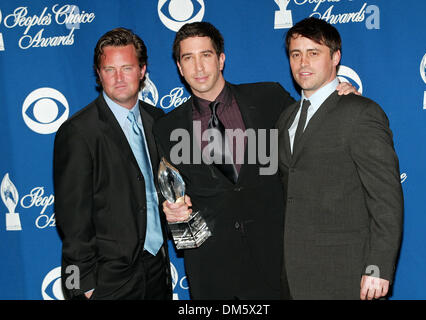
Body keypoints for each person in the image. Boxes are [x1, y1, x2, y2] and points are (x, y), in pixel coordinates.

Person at [153, 21, 356, 299]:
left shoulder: (268, 98)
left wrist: (339, 96)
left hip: (276, 264)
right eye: (188, 58)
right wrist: (173, 215)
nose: (198, 67)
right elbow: (170, 196)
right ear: (179, 67)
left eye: (206, 55)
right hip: (211, 272)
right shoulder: (167, 127)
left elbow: (314, 125)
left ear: (221, 59)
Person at [276, 17, 403, 300]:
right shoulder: (286, 118)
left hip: (347, 274)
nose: (303, 62)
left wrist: (378, 267)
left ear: (335, 57)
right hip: (294, 276)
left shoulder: (361, 113)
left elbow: (385, 198)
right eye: (296, 54)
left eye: (313, 53)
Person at [53, 27, 172, 300]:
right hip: (108, 280)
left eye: (127, 68)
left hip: (157, 270)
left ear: (142, 71)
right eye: (109, 69)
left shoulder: (158, 120)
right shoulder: (78, 132)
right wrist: (80, 286)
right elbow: (72, 221)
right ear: (99, 74)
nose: (119, 78)